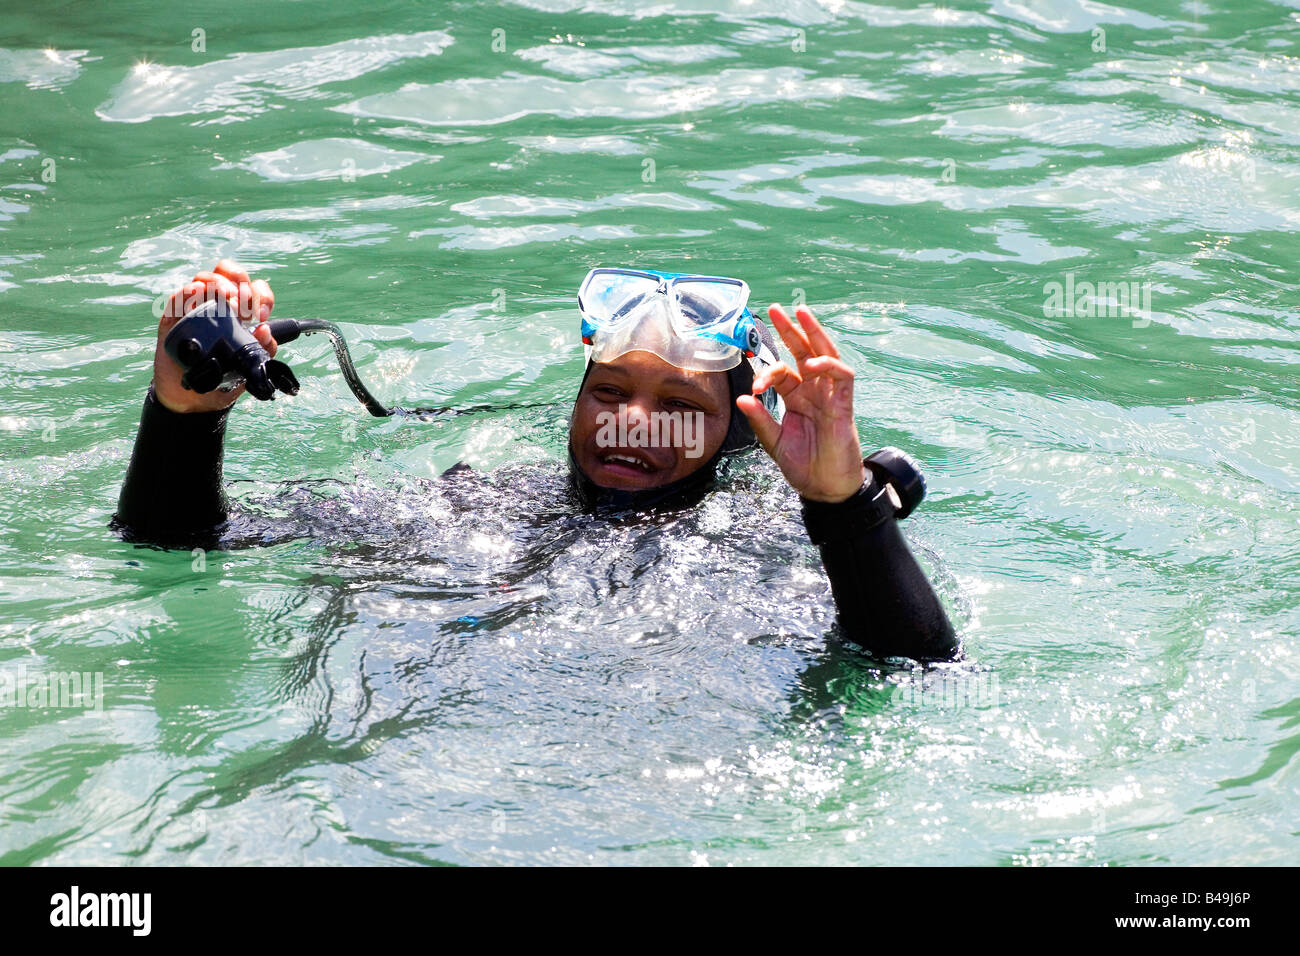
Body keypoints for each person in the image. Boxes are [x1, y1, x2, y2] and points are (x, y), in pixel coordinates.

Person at [114, 260, 960, 662]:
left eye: (677, 406)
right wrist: (184, 415)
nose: (633, 422)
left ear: (741, 438)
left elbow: (919, 665)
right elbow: (178, 549)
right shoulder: (475, 509)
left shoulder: (771, 552)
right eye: (610, 390)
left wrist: (842, 509)